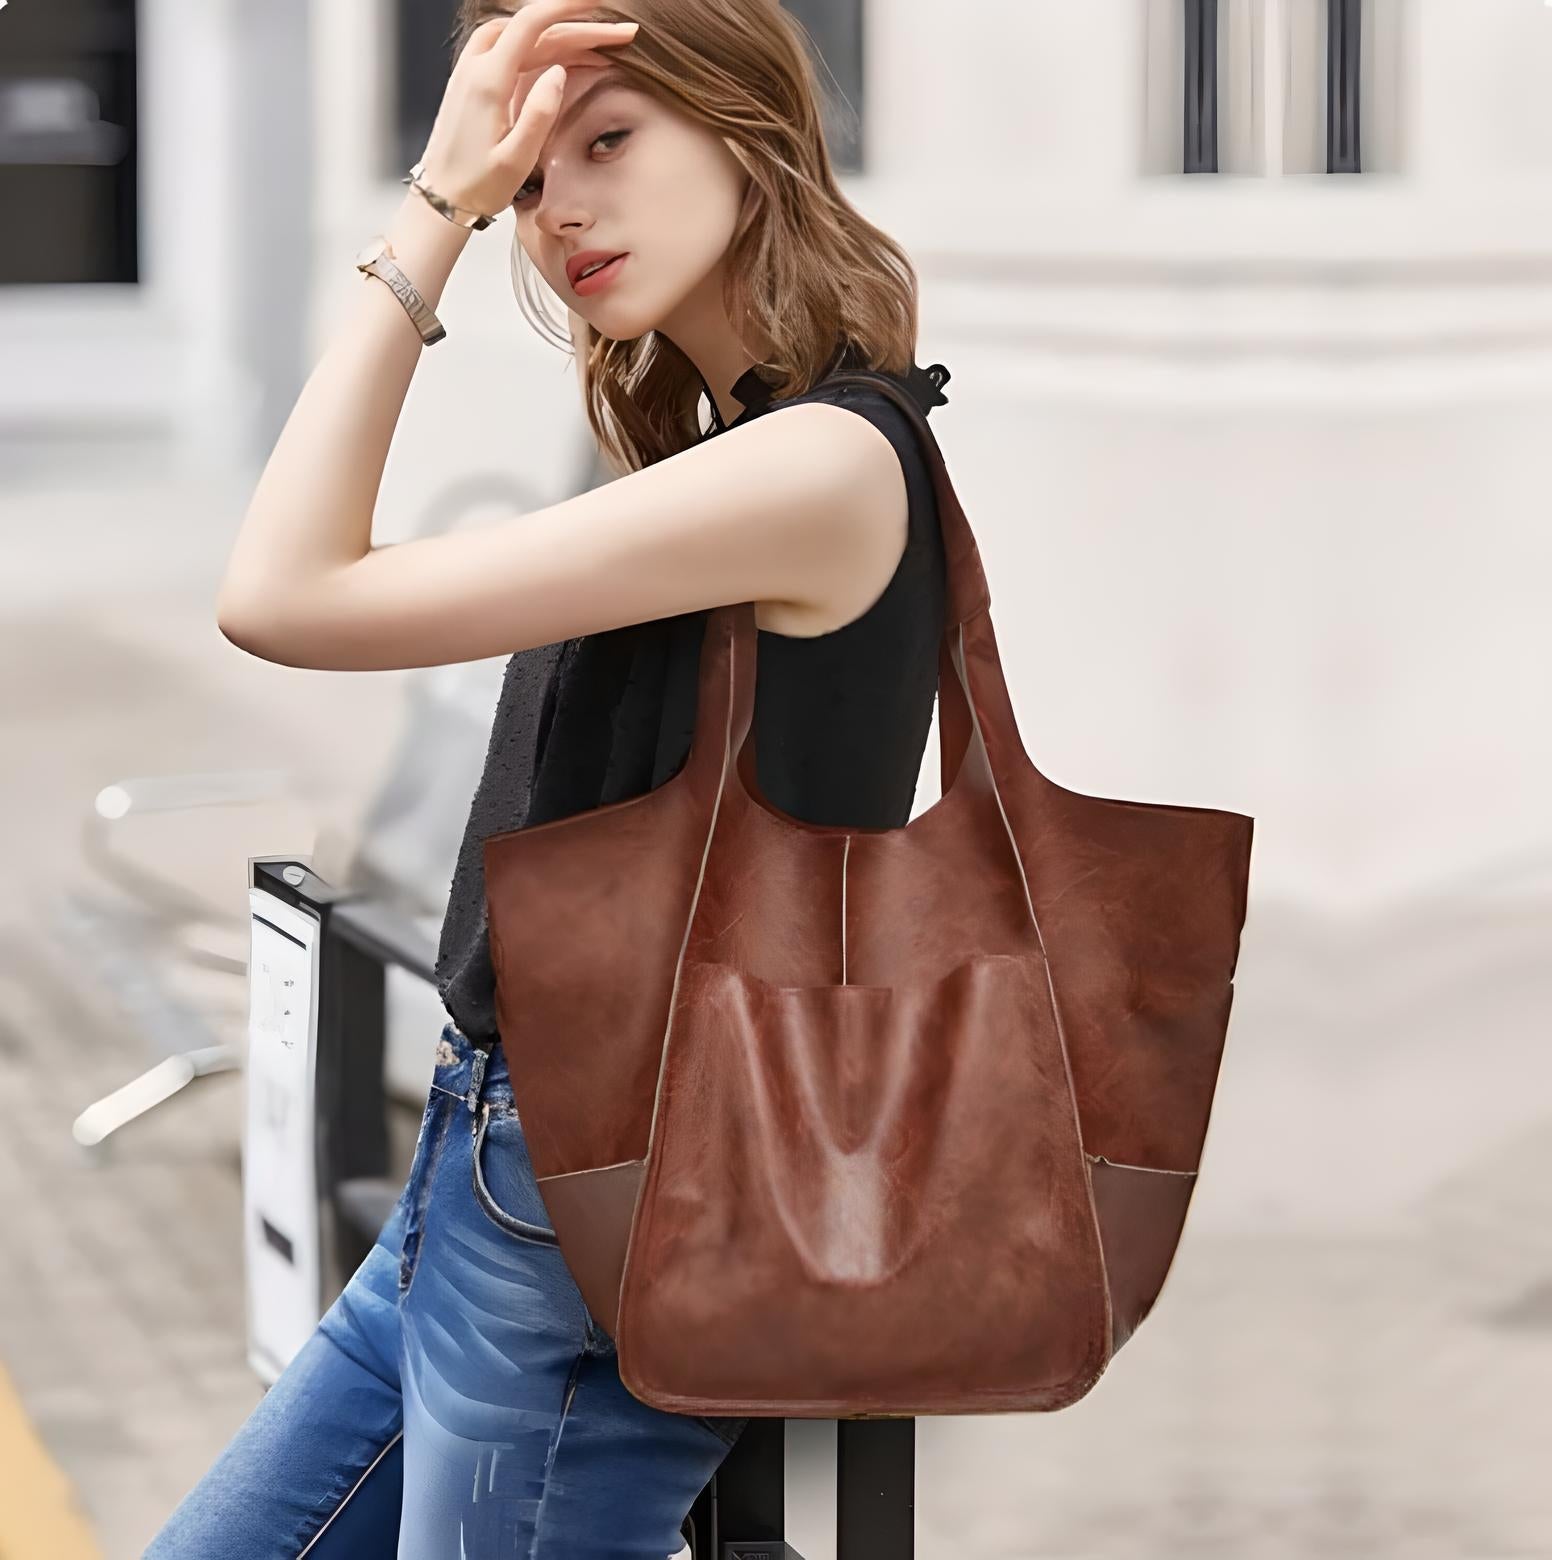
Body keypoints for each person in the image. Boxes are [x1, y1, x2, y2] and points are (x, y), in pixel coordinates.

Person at [147, 0, 951, 1553]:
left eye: (610, 142)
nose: (559, 208)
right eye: (527, 182)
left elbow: (282, 593)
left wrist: (432, 210)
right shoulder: (725, 450)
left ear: (748, 129)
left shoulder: (817, 466)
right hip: (492, 1178)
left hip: (606, 1206)